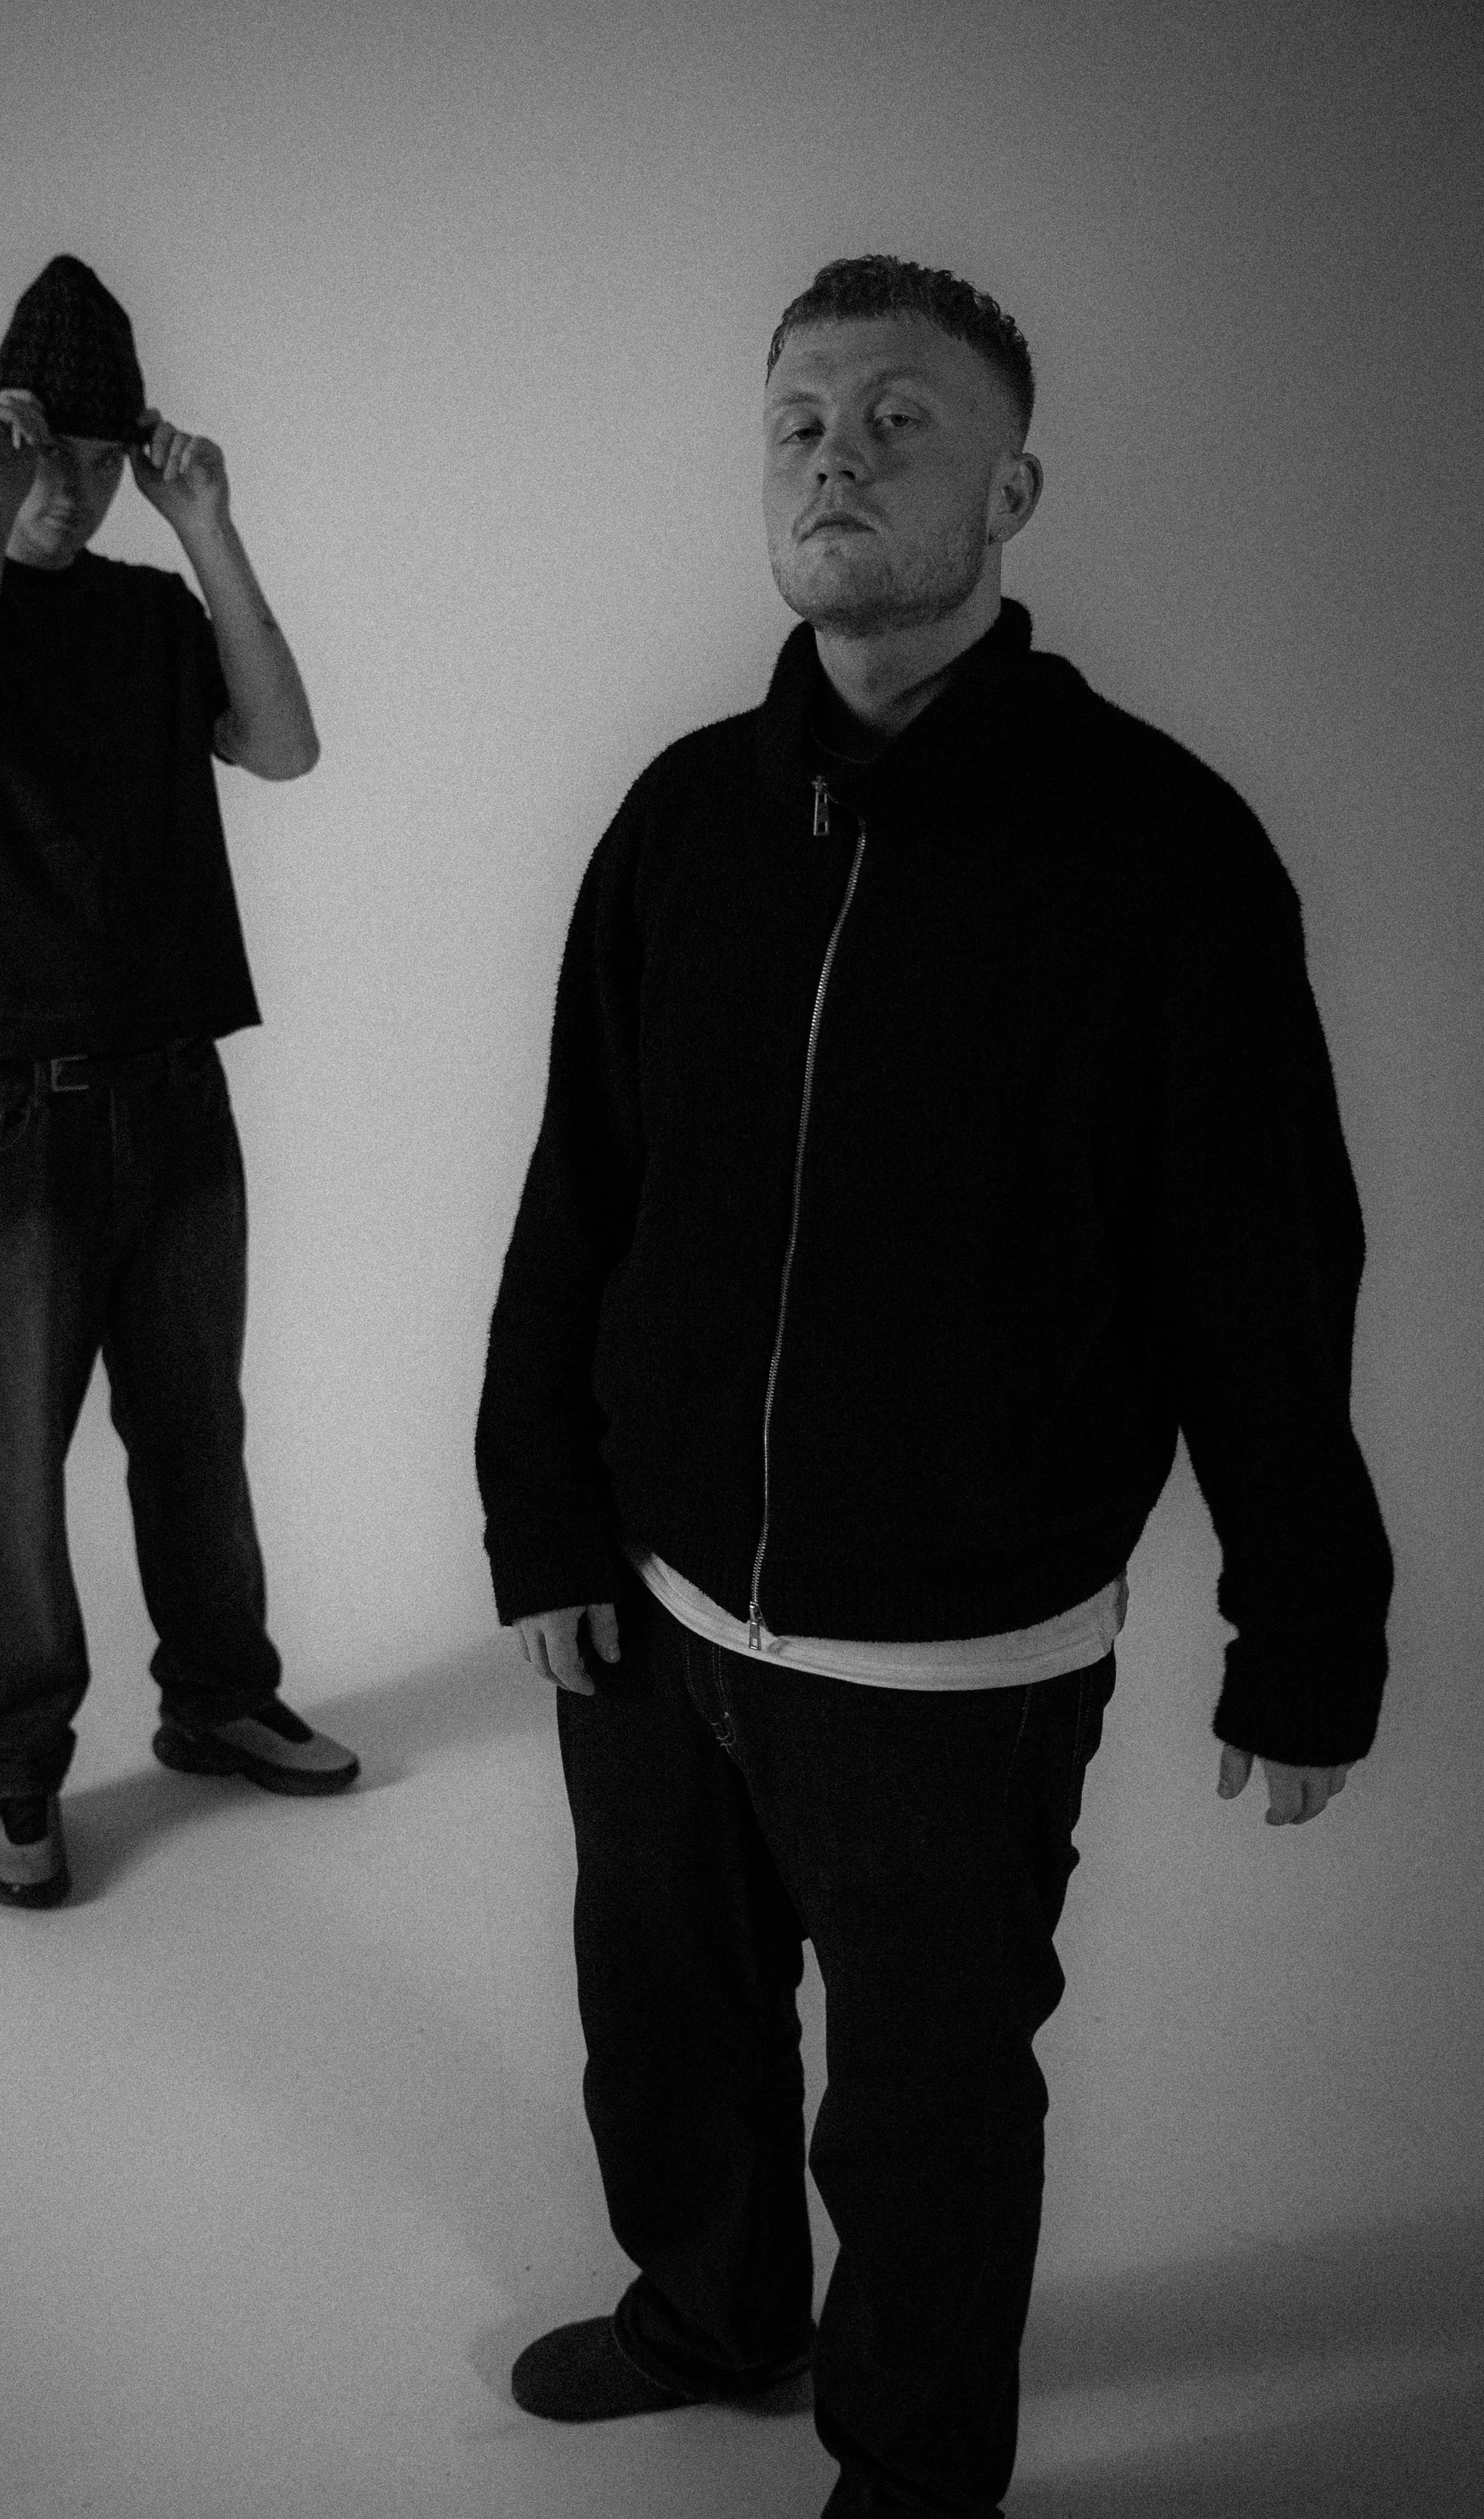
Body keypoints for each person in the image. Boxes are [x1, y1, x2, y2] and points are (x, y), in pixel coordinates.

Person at [473, 255, 1392, 2518]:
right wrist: (544, 1517)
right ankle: (709, 2309)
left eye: (900, 419)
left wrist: (1306, 1624)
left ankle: (907, 2476)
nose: (832, 454)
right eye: (797, 415)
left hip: (952, 1660)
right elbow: (576, 1197)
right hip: (661, 1610)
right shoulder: (682, 818)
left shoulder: (1158, 853)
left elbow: (1260, 1271)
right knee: (667, 2030)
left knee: (925, 2108)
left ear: (1012, 486)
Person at [0, 255, 357, 1911]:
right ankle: (17, 1776)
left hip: (172, 1087)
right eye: (39, 444)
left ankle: (215, 1700)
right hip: (0, 1113)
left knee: (197, 1431)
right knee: (6, 1465)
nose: (69, 482)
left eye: (98, 451)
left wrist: (206, 524)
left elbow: (283, 744)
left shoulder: (147, 614)